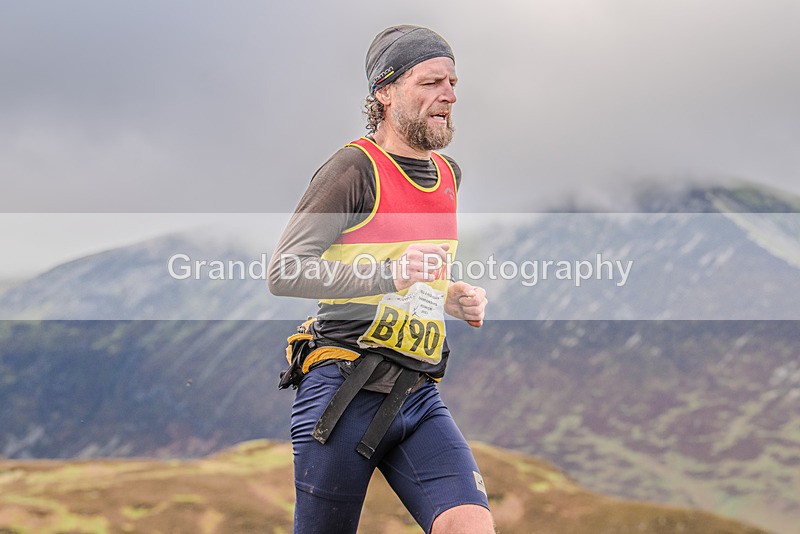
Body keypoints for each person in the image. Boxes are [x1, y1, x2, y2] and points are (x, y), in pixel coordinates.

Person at [268, 25, 494, 534]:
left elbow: (417, 273)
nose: (449, 94)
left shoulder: (449, 175)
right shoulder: (353, 169)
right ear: (386, 92)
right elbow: (285, 272)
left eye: (453, 82)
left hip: (416, 391)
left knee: (469, 525)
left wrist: (450, 295)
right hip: (342, 390)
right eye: (431, 81)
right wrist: (391, 274)